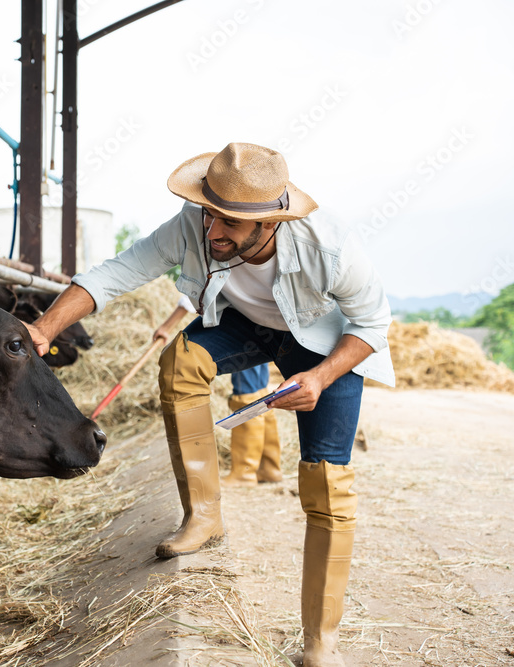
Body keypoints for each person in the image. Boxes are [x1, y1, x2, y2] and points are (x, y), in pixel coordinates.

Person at [25, 143, 394, 667]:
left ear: (270, 223)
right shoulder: (193, 224)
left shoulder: (329, 247)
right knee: (180, 361)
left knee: (328, 484)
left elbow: (374, 324)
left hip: (322, 346)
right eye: (208, 213)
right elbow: (116, 272)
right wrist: (43, 328)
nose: (212, 231)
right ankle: (204, 516)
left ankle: (320, 645)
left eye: (229, 225)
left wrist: (321, 375)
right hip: (243, 327)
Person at [154, 295, 282, 486]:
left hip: (242, 323)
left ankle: (244, 472)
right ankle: (269, 467)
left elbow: (196, 296)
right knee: (258, 389)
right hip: (264, 320)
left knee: (246, 391)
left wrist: (167, 325)